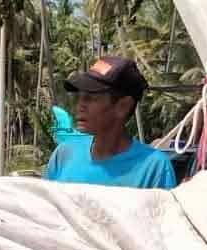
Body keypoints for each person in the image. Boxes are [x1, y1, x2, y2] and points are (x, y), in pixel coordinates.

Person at [45, 56, 176, 190]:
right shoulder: (64, 155)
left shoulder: (154, 168)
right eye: (80, 97)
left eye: (90, 98)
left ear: (123, 107)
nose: (80, 106)